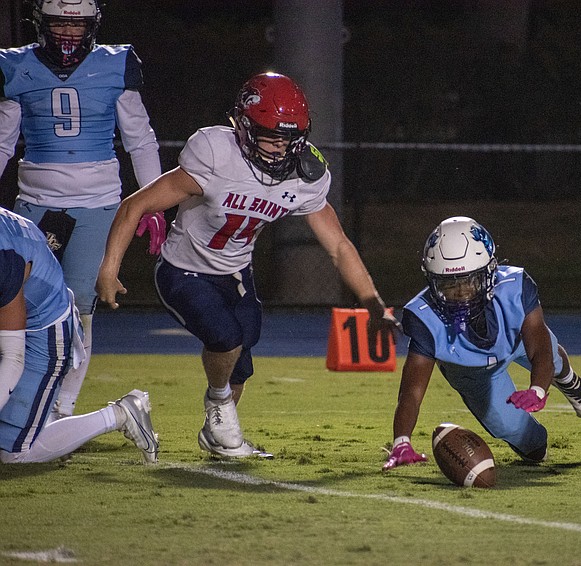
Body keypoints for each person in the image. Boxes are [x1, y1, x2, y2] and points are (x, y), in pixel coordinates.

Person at [95, 72, 399, 459]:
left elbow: (338, 245)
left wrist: (373, 303)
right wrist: (109, 268)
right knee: (225, 338)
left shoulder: (305, 177)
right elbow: (135, 204)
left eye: (289, 138)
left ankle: (218, 434)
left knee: (242, 358)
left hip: (237, 273)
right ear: (242, 125)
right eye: (271, 136)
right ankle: (219, 407)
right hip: (182, 269)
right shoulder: (216, 154)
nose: (280, 148)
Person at [0, 0, 165, 423]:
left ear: (93, 25)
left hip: (97, 202)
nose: (69, 33)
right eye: (60, 23)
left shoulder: (116, 63)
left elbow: (140, 139)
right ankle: (19, 397)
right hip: (34, 202)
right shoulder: (16, 65)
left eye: (78, 25)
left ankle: (62, 408)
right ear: (41, 23)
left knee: (80, 308)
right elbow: (2, 141)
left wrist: (152, 201)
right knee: (18, 302)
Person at [382, 216, 581, 470]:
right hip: (472, 372)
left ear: (490, 272)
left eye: (469, 281)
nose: (460, 293)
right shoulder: (423, 317)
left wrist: (538, 390)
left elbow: (540, 349)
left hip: (515, 340)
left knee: (552, 355)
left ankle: (571, 383)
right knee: (533, 447)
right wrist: (401, 441)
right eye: (448, 285)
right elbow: (411, 391)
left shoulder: (515, 286)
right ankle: (531, 439)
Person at [0, 206, 158, 464]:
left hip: (43, 329)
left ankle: (121, 414)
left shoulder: (5, 258)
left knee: (12, 452)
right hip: (19, 313)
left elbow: (12, 356)